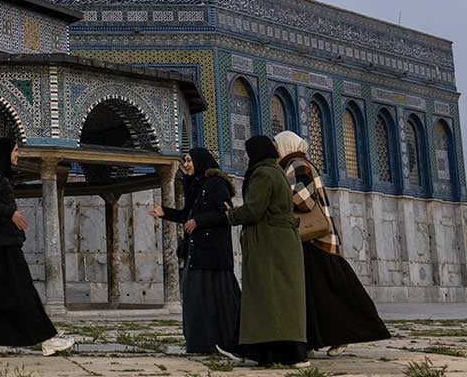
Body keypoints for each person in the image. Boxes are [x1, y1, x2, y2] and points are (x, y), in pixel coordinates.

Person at [273, 131, 389, 357]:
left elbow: (304, 201)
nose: (276, 151)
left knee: (330, 292)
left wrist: (278, 195)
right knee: (317, 294)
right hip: (312, 240)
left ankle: (345, 333)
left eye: (277, 146)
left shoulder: (297, 164)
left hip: (315, 240)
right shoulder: (295, 164)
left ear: (286, 146)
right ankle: (313, 340)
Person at [0, 138, 74, 357]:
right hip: (5, 246)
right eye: (15, 151)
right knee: (24, 291)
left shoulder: (1, 179)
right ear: (4, 153)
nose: (18, 155)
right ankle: (47, 339)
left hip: (5, 244)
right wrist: (11, 213)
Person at [214, 135, 309, 368]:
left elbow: (254, 211)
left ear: (256, 152)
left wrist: (230, 215)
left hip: (270, 243)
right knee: (272, 299)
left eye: (248, 151)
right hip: (277, 242)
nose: (245, 156)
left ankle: (290, 354)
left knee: (268, 297)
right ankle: (259, 351)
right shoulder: (275, 171)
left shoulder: (263, 174)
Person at [148, 147, 240, 354]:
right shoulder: (196, 185)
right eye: (185, 161)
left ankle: (225, 341)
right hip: (198, 251)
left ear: (200, 161)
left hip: (214, 253)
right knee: (196, 300)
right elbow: (186, 216)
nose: (186, 164)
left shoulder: (216, 184)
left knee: (218, 301)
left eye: (189, 160)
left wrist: (199, 221)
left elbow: (226, 214)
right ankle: (202, 344)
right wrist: (165, 213)